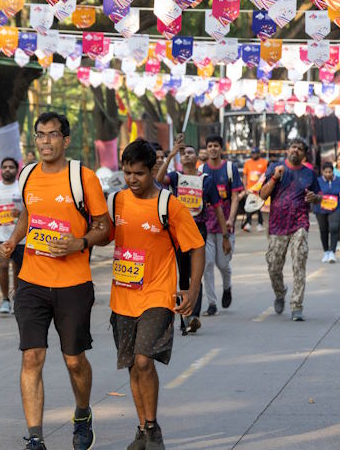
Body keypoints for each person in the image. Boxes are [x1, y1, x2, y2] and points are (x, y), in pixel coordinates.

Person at [0, 112, 109, 450]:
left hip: (73, 282)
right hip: (31, 280)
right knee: (31, 357)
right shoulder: (27, 174)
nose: (45, 141)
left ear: (66, 139)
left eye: (52, 135)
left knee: (74, 360)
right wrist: (14, 240)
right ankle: (35, 436)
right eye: (40, 135)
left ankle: (82, 412)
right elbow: (28, 214)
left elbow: (105, 228)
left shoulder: (83, 178)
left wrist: (81, 242)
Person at [104, 139, 205, 450]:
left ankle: (152, 428)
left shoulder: (169, 205)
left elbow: (196, 246)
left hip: (158, 295)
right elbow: (103, 235)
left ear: (152, 172)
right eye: (127, 173)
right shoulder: (116, 202)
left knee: (145, 361)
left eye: (139, 174)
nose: (132, 180)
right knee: (133, 365)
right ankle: (143, 428)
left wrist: (192, 289)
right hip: (122, 297)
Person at [156, 137, 229, 334]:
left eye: (190, 152)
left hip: (199, 231)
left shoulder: (207, 181)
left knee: (198, 273)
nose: (186, 155)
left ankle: (194, 316)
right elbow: (159, 180)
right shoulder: (175, 177)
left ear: (197, 157)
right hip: (178, 232)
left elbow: (218, 209)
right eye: (183, 153)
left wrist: (225, 236)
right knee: (184, 275)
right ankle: (184, 316)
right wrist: (170, 154)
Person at [259, 138, 321, 322]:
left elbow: (319, 197)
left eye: (300, 149)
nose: (296, 150)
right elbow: (262, 195)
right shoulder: (275, 168)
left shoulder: (310, 174)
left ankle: (297, 305)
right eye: (293, 147)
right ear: (287, 150)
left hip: (299, 224)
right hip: (277, 225)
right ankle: (280, 292)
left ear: (304, 154)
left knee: (299, 263)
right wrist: (274, 178)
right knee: (273, 265)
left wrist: (314, 197)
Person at [198, 134, 243, 316]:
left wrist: (231, 219)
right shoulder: (201, 170)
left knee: (223, 264)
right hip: (206, 225)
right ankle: (211, 303)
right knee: (207, 264)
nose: (213, 149)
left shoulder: (230, 168)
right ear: (207, 149)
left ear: (221, 148)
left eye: (216, 145)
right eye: (210, 145)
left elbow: (234, 197)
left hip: (225, 226)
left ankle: (227, 287)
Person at [0, 157, 25, 314]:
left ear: (16, 170)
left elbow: (31, 207)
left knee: (18, 268)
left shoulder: (22, 187)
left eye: (11, 167)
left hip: (19, 234)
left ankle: (17, 297)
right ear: (1, 169)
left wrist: (20, 213)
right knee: (3, 265)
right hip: (0, 234)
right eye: (4, 167)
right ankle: (4, 300)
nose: (7, 169)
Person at [313, 162, 340, 263]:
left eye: (330, 172)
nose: (328, 174)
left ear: (333, 171)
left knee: (334, 228)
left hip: (336, 208)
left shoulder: (339, 181)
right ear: (322, 172)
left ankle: (332, 252)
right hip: (320, 208)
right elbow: (313, 194)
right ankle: (326, 251)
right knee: (323, 229)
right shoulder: (317, 181)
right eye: (325, 172)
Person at [242, 147, 268, 232]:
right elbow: (245, 175)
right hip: (250, 189)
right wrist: (245, 188)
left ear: (259, 154)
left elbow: (266, 175)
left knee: (259, 207)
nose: (254, 155)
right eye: (252, 153)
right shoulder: (247, 163)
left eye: (255, 153)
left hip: (260, 189)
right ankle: (248, 224)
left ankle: (260, 224)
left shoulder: (264, 162)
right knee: (249, 206)